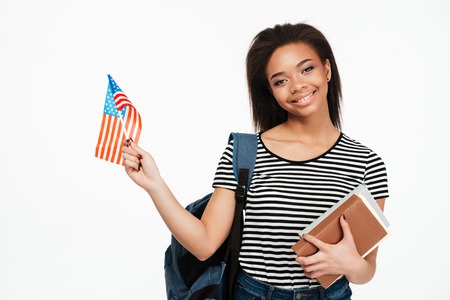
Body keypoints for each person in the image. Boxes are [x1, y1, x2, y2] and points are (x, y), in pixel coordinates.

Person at [122, 22, 389, 300]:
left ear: (327, 69)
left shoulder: (367, 163)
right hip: (253, 294)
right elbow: (204, 244)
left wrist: (350, 264)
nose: (297, 85)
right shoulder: (246, 152)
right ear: (271, 90)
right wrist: (155, 185)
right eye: (280, 80)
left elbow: (366, 270)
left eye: (306, 69)